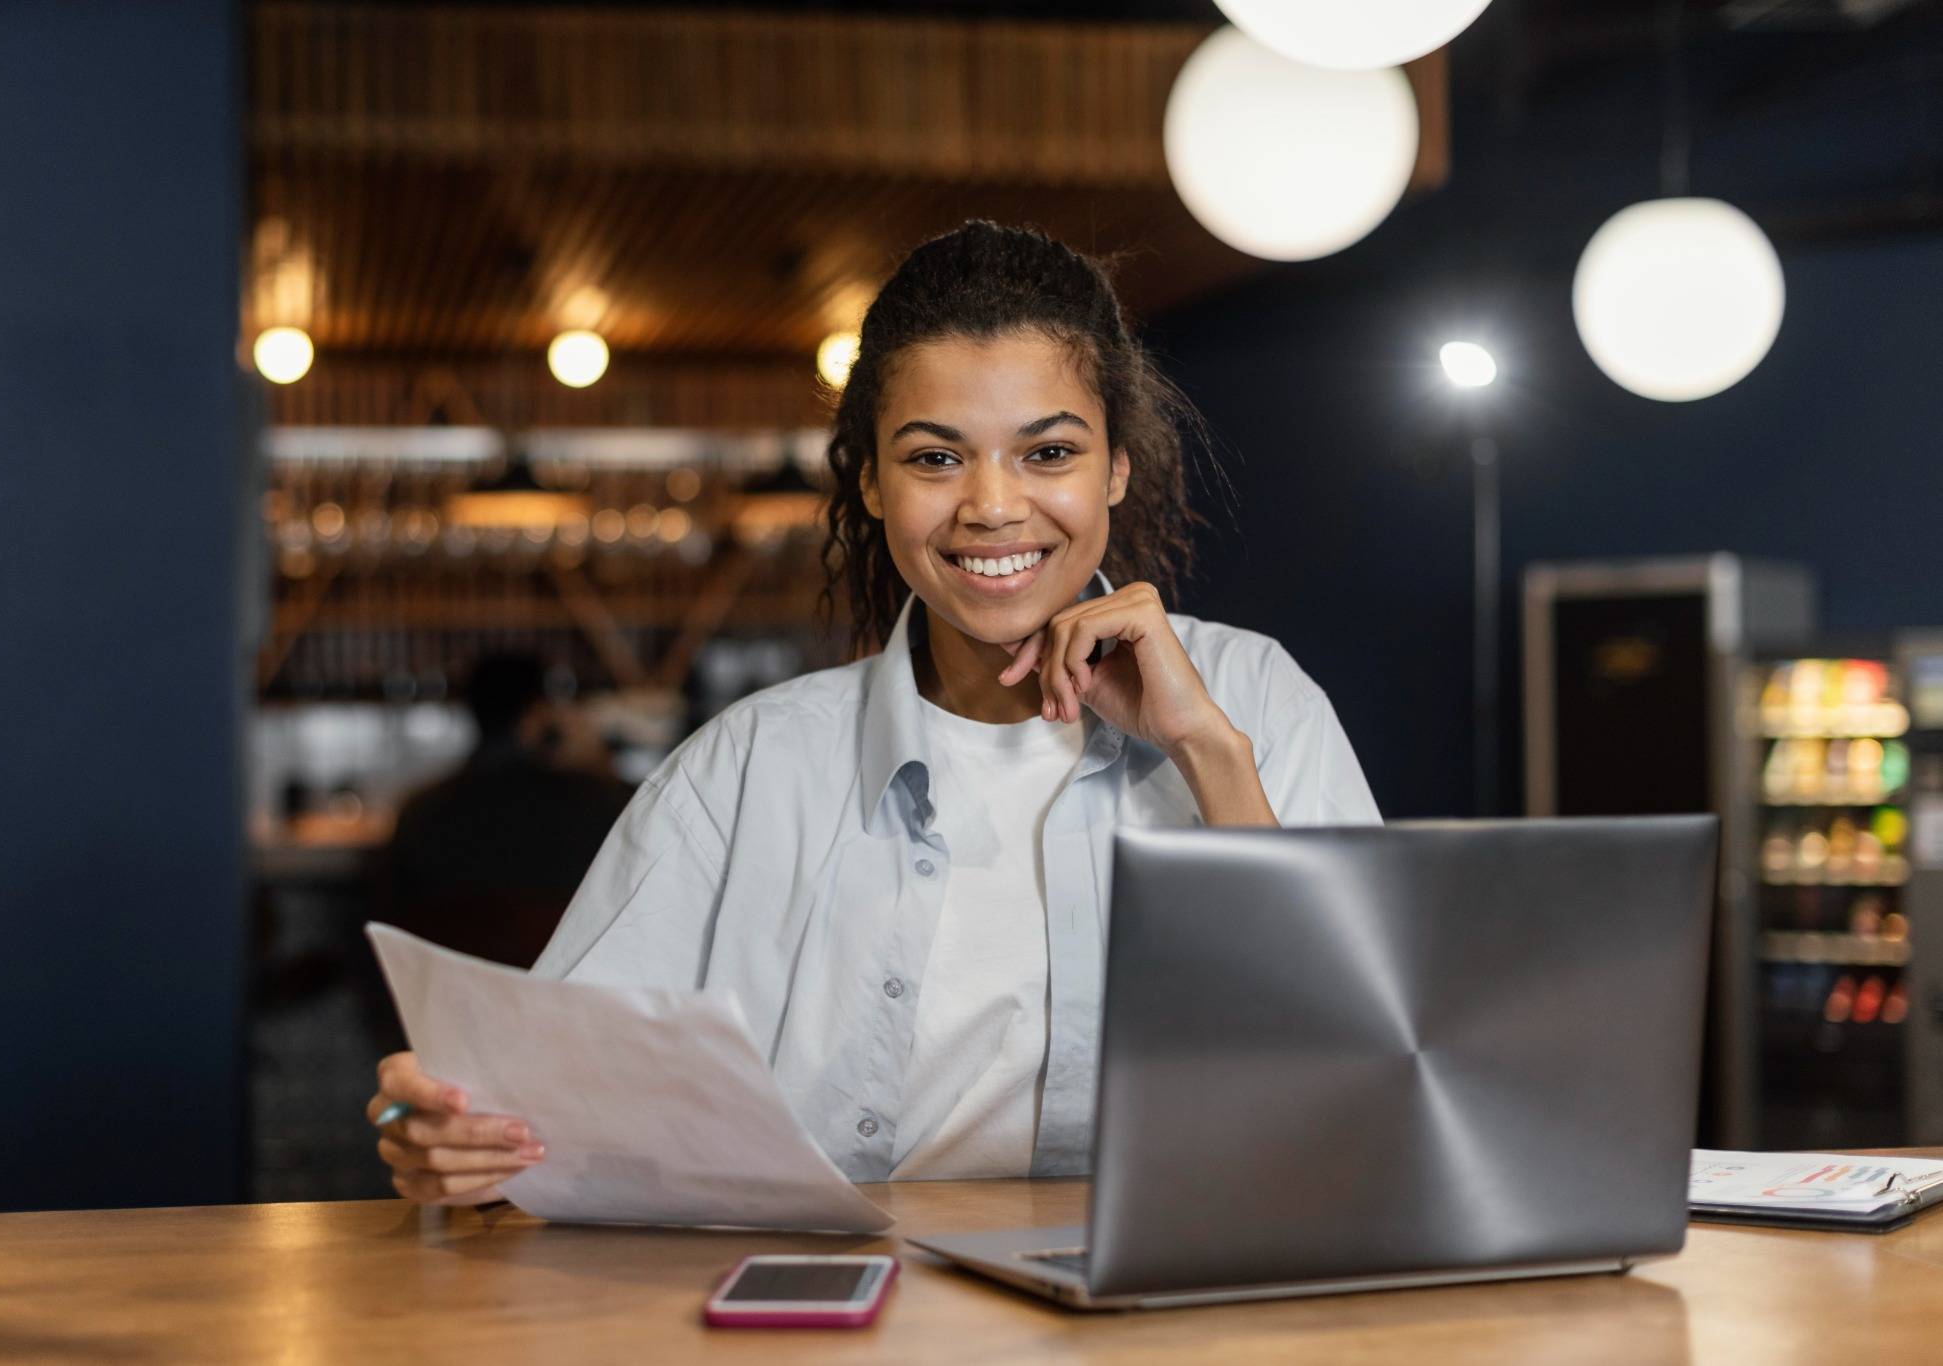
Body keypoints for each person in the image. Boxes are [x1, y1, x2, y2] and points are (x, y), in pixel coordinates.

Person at [367, 221, 1380, 1205]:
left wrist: (1205, 752)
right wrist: (453, 1138)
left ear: (1115, 466)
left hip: (1173, 1307)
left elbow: (1367, 1073)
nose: (990, 505)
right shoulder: (749, 765)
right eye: (935, 458)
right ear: (871, 479)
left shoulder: (1253, 704)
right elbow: (541, 1098)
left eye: (1047, 453)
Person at [373, 653, 632, 971]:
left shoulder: (421, 810)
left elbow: (389, 915)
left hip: (449, 1005)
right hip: (563, 1006)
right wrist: (598, 761)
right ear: (539, 716)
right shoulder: (598, 800)